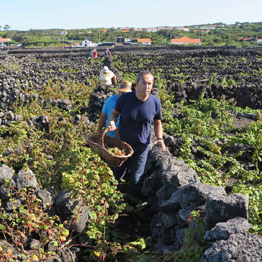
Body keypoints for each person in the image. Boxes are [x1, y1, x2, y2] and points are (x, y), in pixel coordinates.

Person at [107, 71, 166, 195]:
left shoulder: (155, 102)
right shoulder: (124, 99)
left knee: (136, 179)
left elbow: (157, 122)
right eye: (143, 83)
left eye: (149, 83)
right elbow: (114, 114)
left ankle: (131, 204)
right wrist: (112, 122)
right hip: (122, 145)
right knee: (117, 175)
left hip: (141, 147)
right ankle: (113, 199)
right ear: (137, 84)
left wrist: (160, 138)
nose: (146, 86)